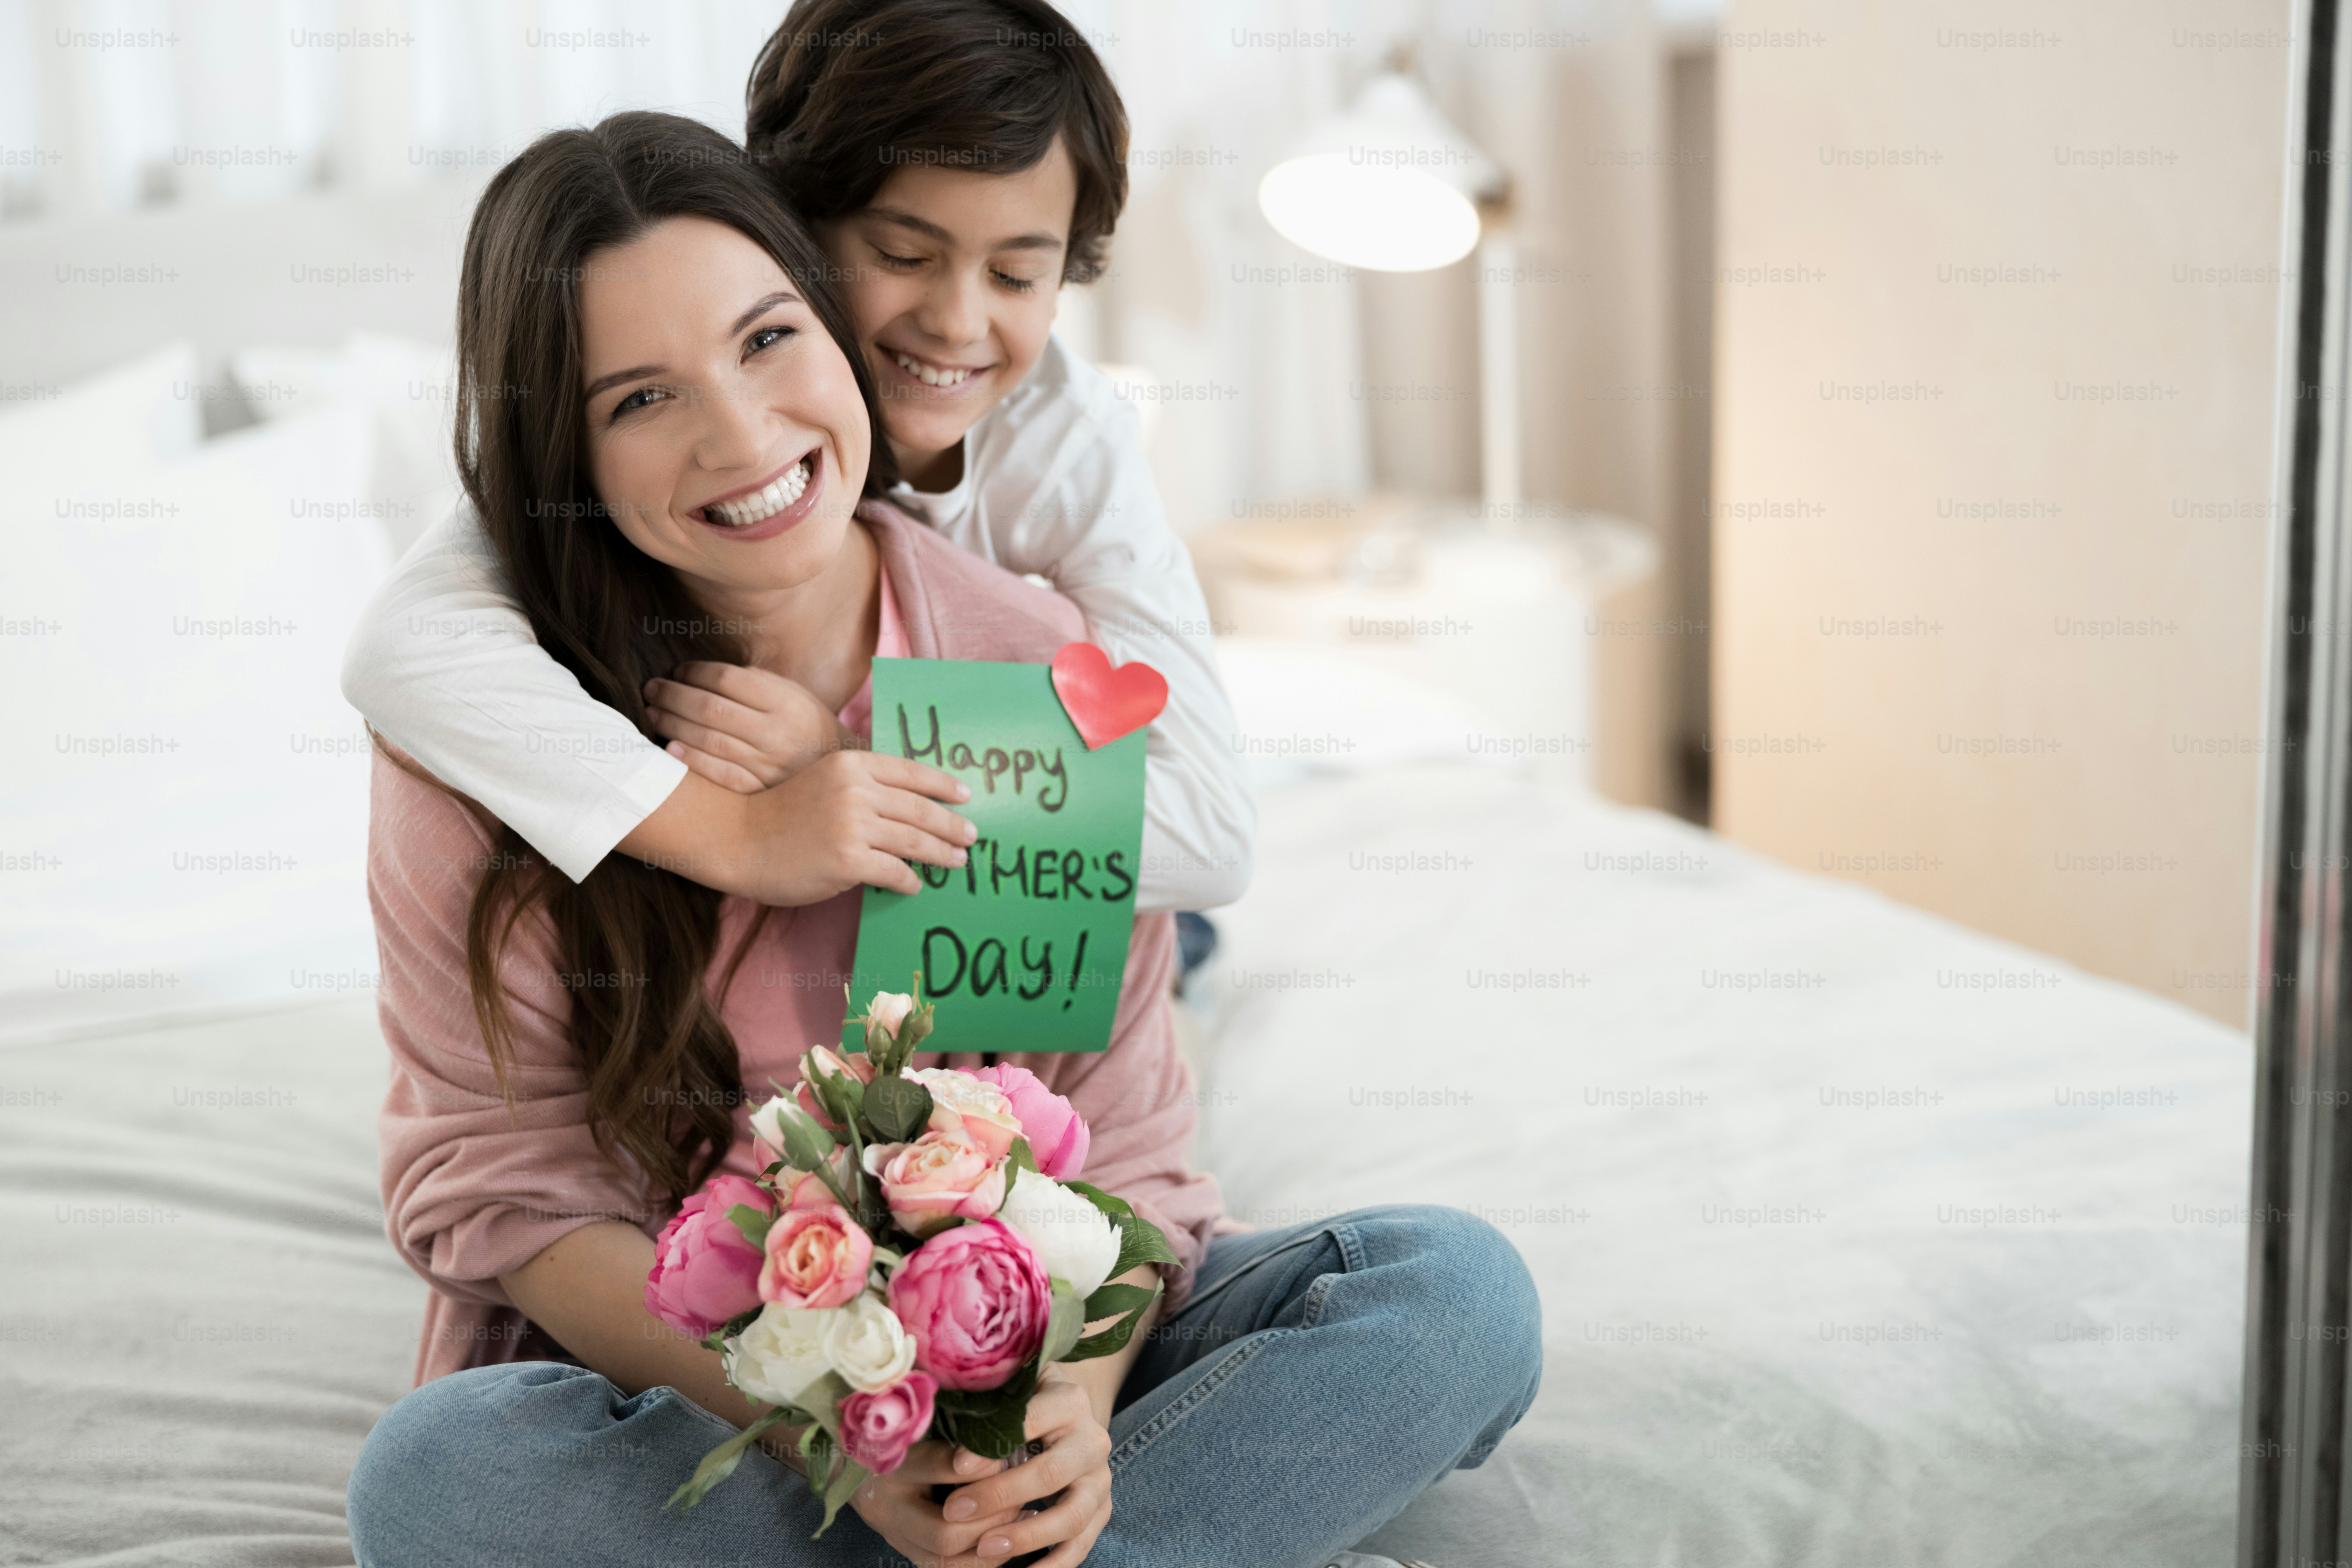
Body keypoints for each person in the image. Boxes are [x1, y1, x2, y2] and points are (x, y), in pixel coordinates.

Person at [342, 113, 1541, 1568]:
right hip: (696, 1394)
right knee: (440, 1478)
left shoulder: (1032, 667)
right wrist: (823, 1433)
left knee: (1454, 1297)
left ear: (836, 323)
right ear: (565, 451)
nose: (741, 433)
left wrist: (1063, 1433)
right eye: (641, 397)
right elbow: (506, 1205)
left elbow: (1136, 1160)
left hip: (1037, 1358)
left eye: (770, 337)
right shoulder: (492, 735)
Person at [339, 0, 1252, 926]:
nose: (958, 324)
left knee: (1170, 944)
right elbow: (399, 655)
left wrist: (844, 765)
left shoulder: (1068, 442)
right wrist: (740, 835)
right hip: (919, 902)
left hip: (1049, 908)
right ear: (789, 226)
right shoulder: (621, 446)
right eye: (902, 254)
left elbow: (1211, 834)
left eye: (1016, 277)